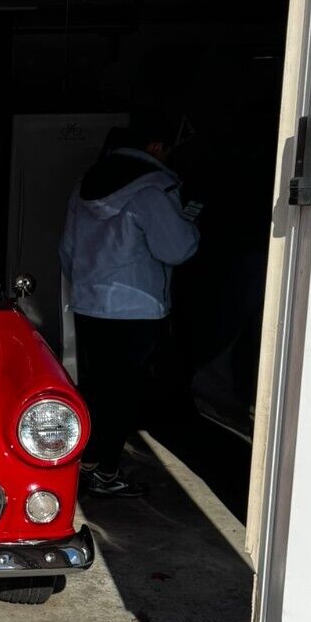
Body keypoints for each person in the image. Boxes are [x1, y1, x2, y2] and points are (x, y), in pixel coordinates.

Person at [59, 121, 200, 497]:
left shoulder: (84, 185)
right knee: (122, 394)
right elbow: (176, 248)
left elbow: (68, 252)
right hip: (137, 308)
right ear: (155, 147)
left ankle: (83, 464)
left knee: (93, 389)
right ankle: (105, 471)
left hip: (90, 304)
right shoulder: (153, 190)